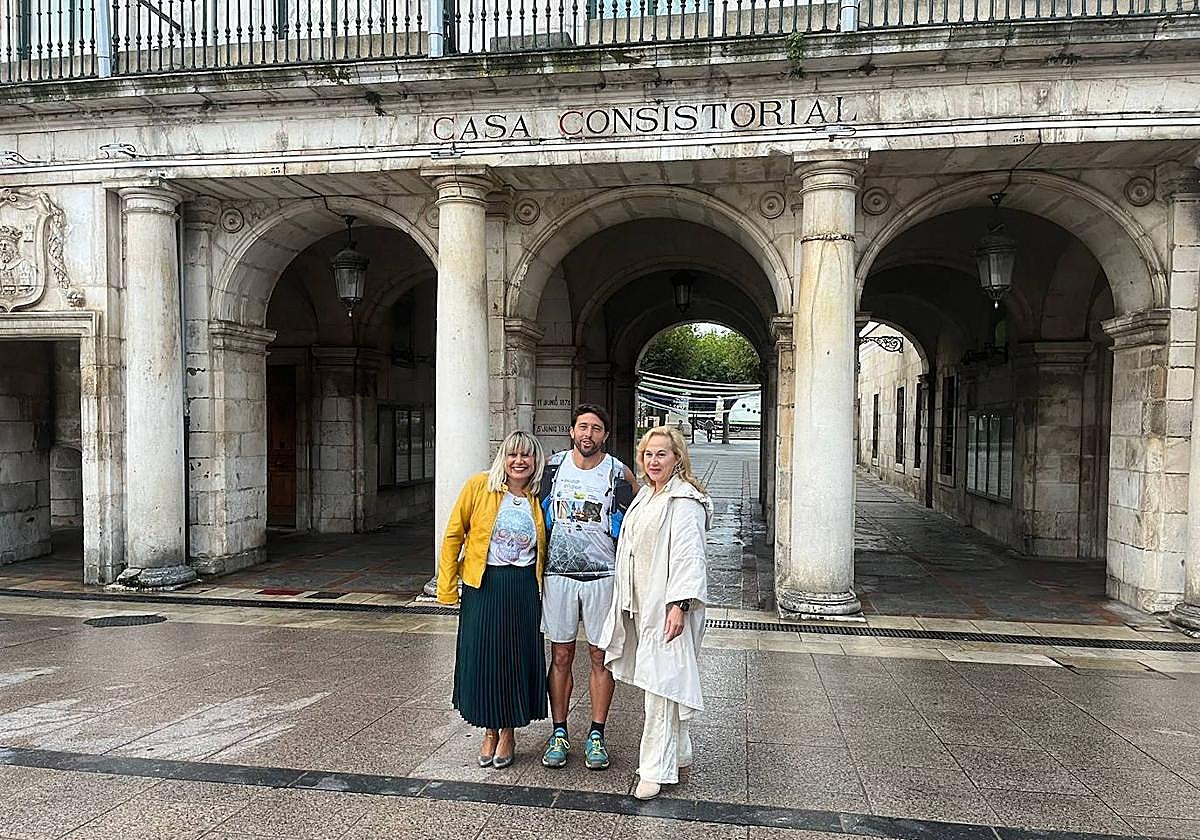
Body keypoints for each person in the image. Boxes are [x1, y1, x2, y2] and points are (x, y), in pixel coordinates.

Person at [599, 425, 711, 800]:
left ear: (677, 458)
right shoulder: (647, 494)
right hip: (641, 604)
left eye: (661, 453)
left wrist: (679, 606)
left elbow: (689, 558)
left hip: (668, 608)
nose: (653, 461)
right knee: (665, 681)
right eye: (648, 454)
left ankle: (654, 770)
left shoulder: (684, 501)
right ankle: (680, 753)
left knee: (661, 688)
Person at [437, 430, 549, 770]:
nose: (519, 461)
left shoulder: (538, 497)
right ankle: (489, 730)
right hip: (484, 585)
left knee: (515, 658)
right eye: (513, 454)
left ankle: (509, 732)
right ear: (503, 457)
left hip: (523, 587)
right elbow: (454, 534)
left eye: (526, 455)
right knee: (484, 657)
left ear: (535, 461)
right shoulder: (479, 486)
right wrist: (446, 587)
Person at [539, 404, 637, 771]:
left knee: (600, 656)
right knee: (561, 655)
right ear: (572, 431)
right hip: (559, 575)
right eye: (583, 427)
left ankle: (597, 734)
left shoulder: (618, 472)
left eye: (596, 428)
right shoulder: (553, 467)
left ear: (605, 436)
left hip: (603, 576)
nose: (588, 434)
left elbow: (636, 520)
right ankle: (559, 731)